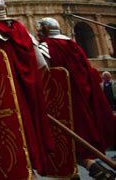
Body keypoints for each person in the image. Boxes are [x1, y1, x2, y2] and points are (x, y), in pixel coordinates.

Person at [0, 0, 54, 176]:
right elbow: (42, 67)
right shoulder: (26, 35)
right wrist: (30, 91)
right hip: (29, 98)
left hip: (3, 104)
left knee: (11, 149)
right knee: (28, 140)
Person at [37, 17, 115, 179]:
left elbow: (44, 75)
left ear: (44, 31)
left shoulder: (45, 47)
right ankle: (94, 169)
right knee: (76, 142)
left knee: (62, 144)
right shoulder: (73, 45)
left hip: (61, 103)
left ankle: (92, 170)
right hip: (83, 98)